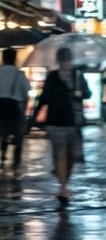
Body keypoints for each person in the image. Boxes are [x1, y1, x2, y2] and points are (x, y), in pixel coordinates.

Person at [29, 46, 91, 205]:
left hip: (73, 121)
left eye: (67, 59)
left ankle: (64, 181)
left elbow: (88, 93)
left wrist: (80, 93)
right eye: (63, 60)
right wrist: (34, 118)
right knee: (61, 153)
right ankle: (63, 188)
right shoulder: (53, 77)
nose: (65, 63)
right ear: (59, 61)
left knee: (71, 156)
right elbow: (43, 98)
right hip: (56, 121)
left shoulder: (78, 76)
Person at [0, 48, 30, 171]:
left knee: (3, 132)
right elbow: (26, 92)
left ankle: (3, 156)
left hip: (0, 106)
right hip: (14, 106)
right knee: (18, 134)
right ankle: (16, 162)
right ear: (15, 59)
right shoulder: (19, 74)